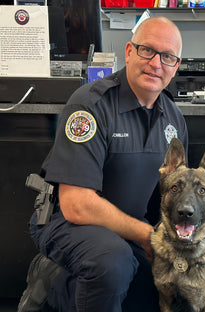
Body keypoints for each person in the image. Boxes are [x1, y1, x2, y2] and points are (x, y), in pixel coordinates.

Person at [18, 16, 188, 312]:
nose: (156, 63)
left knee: (170, 282)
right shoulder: (90, 105)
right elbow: (76, 204)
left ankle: (72, 286)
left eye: (167, 56)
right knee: (112, 263)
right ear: (129, 52)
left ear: (176, 65)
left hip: (128, 226)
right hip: (66, 221)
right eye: (147, 50)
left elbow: (171, 198)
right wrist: (148, 236)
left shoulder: (174, 119)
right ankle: (52, 287)